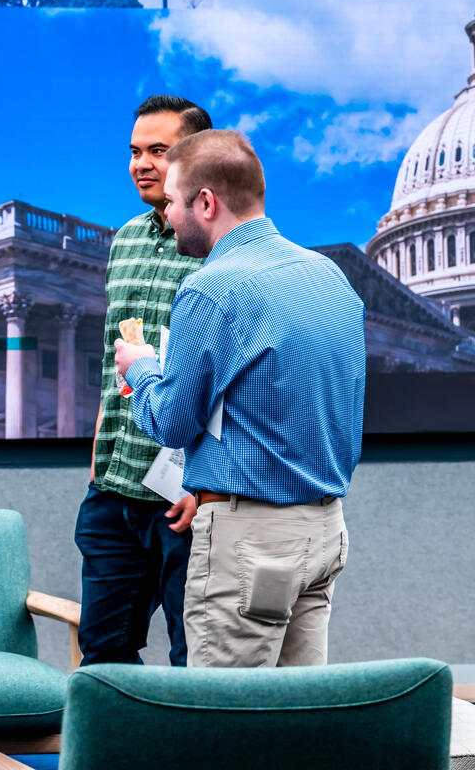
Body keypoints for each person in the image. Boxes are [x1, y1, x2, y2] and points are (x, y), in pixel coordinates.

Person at [115, 129, 365, 669]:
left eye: (174, 203)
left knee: (226, 729)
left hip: (251, 547)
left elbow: (173, 423)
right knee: (297, 723)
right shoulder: (330, 278)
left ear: (206, 202)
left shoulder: (211, 287)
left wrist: (139, 369)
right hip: (324, 533)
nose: (169, 217)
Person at [74, 95, 212, 666]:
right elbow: (117, 359)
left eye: (159, 150)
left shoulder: (222, 246)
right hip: (114, 490)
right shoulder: (125, 239)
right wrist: (97, 461)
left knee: (193, 661)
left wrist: (204, 482)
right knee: (103, 657)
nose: (142, 164)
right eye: (135, 151)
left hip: (185, 497)